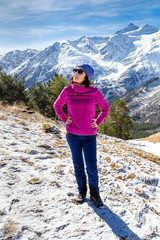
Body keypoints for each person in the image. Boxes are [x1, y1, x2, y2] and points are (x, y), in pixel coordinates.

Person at [54, 64, 110, 208]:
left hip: (89, 136)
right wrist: (64, 118)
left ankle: (95, 194)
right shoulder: (67, 90)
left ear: (87, 76)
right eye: (75, 71)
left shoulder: (94, 91)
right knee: (78, 164)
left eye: (80, 71)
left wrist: (97, 122)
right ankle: (81, 192)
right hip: (72, 135)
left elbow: (105, 108)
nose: (76, 73)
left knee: (91, 167)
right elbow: (57, 105)